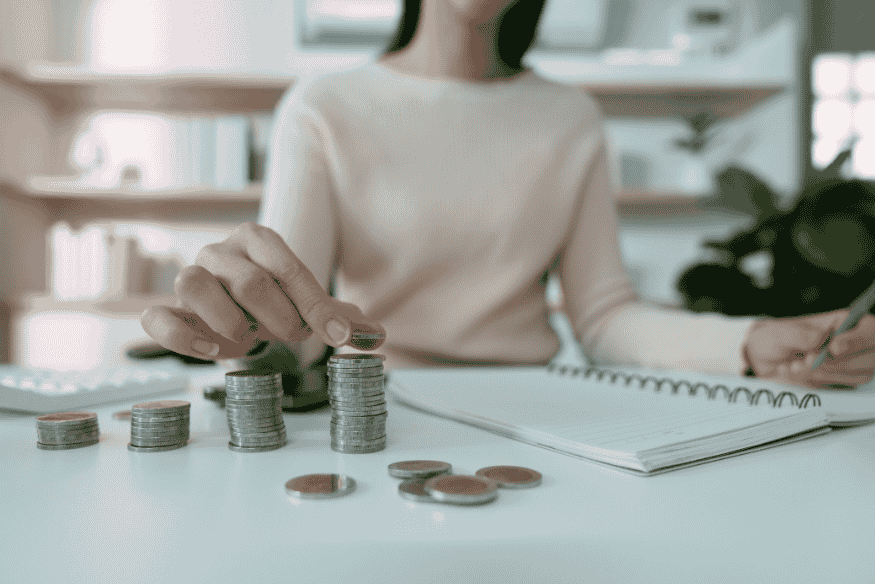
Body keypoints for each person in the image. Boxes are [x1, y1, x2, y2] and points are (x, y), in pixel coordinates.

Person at [141, 0, 875, 389]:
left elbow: (603, 315)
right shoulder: (322, 107)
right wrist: (250, 332)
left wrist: (743, 341)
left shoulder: (569, 116)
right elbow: (299, 330)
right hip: (383, 409)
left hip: (539, 409)